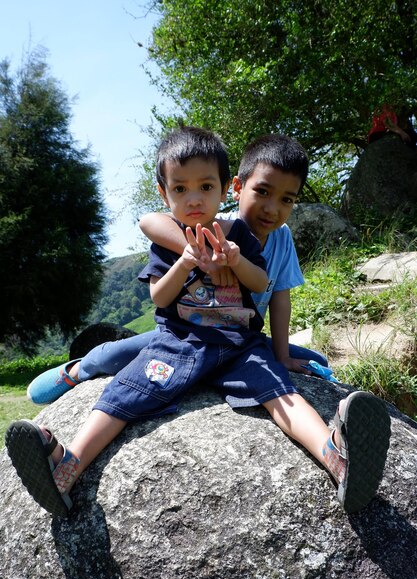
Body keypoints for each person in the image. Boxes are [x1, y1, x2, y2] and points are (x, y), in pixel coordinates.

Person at [6, 126, 390, 519]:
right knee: (127, 390)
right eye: (181, 190)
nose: (194, 199)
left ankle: (335, 455)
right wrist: (188, 258)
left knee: (281, 392)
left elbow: (265, 283)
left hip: (239, 343)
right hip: (180, 341)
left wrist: (236, 260)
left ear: (224, 189)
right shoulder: (171, 238)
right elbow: (159, 295)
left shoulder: (238, 233)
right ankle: (66, 467)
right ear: (165, 193)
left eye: (205, 188)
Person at [26, 134, 328, 406]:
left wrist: (282, 356)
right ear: (234, 188)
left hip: (240, 337)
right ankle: (80, 368)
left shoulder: (282, 236)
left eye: (286, 199)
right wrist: (204, 254)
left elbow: (279, 298)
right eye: (262, 192)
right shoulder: (215, 221)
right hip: (187, 333)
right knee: (120, 354)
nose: (271, 208)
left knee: (315, 361)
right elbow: (148, 221)